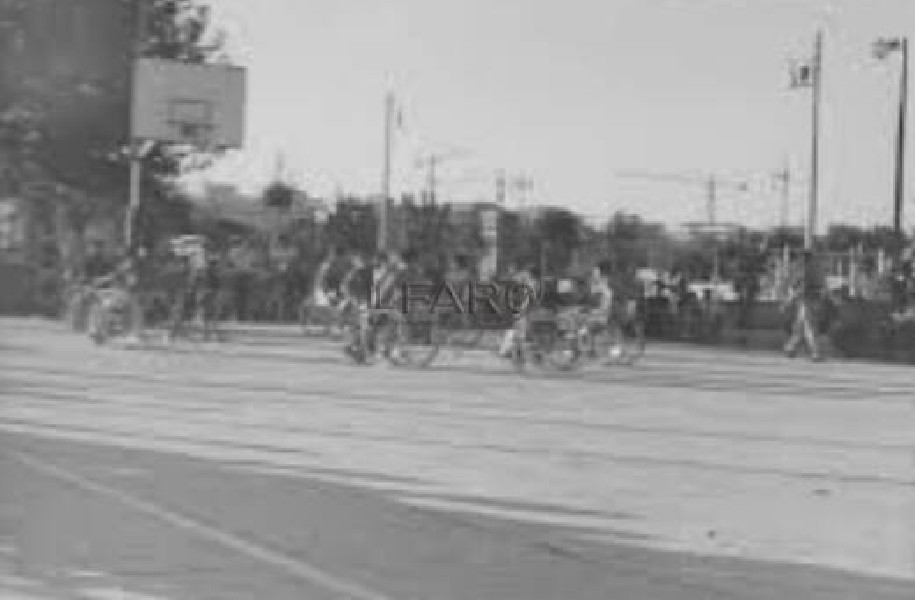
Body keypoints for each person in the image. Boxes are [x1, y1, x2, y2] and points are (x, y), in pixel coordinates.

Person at [782, 251, 822, 361]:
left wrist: (789, 299)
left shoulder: (805, 270)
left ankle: (791, 348)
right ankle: (814, 353)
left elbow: (797, 287)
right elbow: (800, 288)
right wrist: (790, 299)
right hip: (807, 300)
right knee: (807, 326)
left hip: (806, 300)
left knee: (801, 326)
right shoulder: (809, 270)